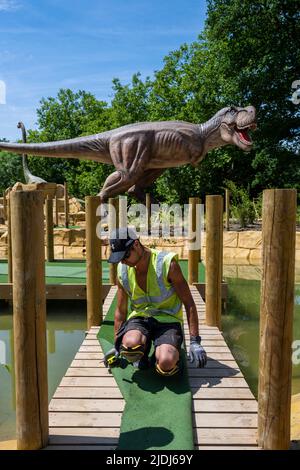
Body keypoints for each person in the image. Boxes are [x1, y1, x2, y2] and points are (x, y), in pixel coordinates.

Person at [105, 227, 207, 376]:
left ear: (136, 245)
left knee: (166, 362)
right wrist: (117, 344)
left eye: (125, 256)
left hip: (168, 320)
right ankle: (142, 354)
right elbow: (120, 310)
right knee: (129, 346)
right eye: (120, 258)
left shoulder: (167, 264)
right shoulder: (122, 270)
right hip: (140, 318)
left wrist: (194, 341)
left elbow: (189, 303)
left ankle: (163, 352)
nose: (123, 262)